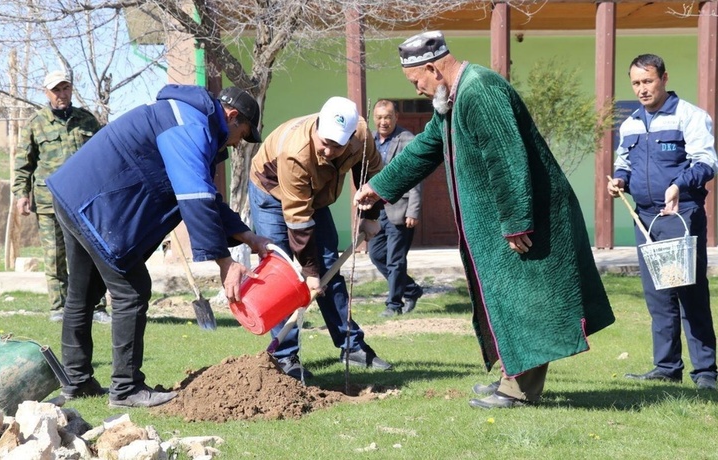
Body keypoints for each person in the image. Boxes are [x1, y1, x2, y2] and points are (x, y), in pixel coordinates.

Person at [354, 31, 615, 408]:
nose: (420, 89)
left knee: (524, 300)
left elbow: (506, 159)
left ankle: (519, 391)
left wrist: (516, 221)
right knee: (507, 298)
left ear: (432, 67)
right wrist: (379, 186)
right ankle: (511, 375)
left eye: (417, 82)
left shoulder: (479, 89)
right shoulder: (452, 98)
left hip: (526, 218)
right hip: (503, 221)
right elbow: (427, 148)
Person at [46, 84, 271, 408]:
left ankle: (77, 382)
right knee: (132, 290)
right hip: (94, 205)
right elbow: (195, 197)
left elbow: (206, 196)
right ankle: (125, 389)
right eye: (242, 135)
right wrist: (224, 263)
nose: (237, 145)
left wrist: (247, 236)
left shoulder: (188, 118)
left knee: (83, 294)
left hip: (74, 195)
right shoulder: (190, 124)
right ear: (232, 116)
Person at [249, 96, 392, 379]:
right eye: (324, 141)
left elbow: (373, 174)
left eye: (336, 145)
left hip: (314, 193)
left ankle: (351, 345)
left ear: (351, 138)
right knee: (281, 272)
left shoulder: (361, 135)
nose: (327, 150)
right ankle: (285, 357)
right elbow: (298, 219)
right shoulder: (296, 152)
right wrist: (309, 272)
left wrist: (371, 215)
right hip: (271, 190)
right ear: (317, 127)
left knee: (330, 266)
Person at [608, 54, 718, 391]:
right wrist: (619, 181)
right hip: (645, 219)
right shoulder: (630, 124)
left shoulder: (691, 116)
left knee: (688, 291)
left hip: (680, 215)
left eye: (648, 81)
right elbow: (623, 161)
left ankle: (706, 373)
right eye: (636, 83)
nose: (642, 89)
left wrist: (678, 186)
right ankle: (667, 367)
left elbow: (707, 163)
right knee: (658, 295)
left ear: (664, 78)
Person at [12, 70, 110, 323]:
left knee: (92, 253)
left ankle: (97, 307)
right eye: (56, 90)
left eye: (65, 88)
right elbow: (24, 163)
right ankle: (59, 307)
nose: (62, 94)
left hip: (84, 202)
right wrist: (21, 194)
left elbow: (103, 157)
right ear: (47, 93)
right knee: (55, 256)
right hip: (49, 201)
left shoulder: (87, 120)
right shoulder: (36, 123)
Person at [369, 99, 424, 317]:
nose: (383, 122)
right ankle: (411, 289)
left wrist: (413, 210)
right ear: (374, 118)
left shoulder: (407, 140)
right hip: (376, 210)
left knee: (395, 259)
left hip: (400, 208)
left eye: (388, 117)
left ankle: (394, 305)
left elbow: (416, 177)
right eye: (380, 117)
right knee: (376, 255)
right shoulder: (370, 141)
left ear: (396, 118)